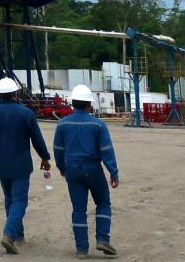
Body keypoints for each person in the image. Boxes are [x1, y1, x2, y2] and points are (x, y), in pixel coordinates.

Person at [0, 76, 52, 254]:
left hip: (1, 165)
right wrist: (45, 157)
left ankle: (19, 236)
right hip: (21, 165)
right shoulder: (26, 114)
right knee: (19, 201)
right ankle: (9, 235)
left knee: (10, 200)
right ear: (16, 94)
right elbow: (37, 140)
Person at [53, 85, 120, 259]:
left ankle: (82, 249)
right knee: (103, 202)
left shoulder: (63, 124)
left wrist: (62, 169)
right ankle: (102, 239)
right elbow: (106, 150)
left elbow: (58, 150)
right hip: (93, 168)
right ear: (89, 105)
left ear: (73, 103)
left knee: (78, 209)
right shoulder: (98, 124)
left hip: (72, 169)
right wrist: (113, 172)